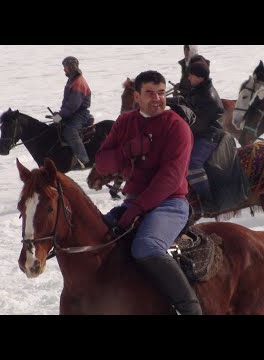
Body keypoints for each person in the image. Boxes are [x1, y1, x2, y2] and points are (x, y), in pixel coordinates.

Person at [92, 70, 202, 315]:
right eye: (150, 93)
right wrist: (126, 151)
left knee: (146, 247)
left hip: (170, 203)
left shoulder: (178, 127)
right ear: (136, 96)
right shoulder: (124, 122)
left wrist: (138, 207)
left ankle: (190, 308)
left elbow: (171, 178)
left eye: (161, 93)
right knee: (95, 239)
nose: (157, 99)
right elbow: (101, 164)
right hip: (132, 202)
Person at [179, 59, 224, 211]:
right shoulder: (199, 90)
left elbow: (199, 123)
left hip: (208, 135)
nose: (189, 78)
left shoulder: (208, 97)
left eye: (191, 75)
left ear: (200, 77)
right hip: (199, 132)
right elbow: (188, 104)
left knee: (193, 163)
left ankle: (208, 201)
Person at [52, 56, 94, 169]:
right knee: (56, 126)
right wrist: (60, 114)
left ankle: (84, 160)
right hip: (72, 112)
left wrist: (60, 115)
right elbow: (67, 103)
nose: (64, 70)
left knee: (70, 131)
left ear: (71, 67)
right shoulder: (71, 80)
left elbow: (73, 105)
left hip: (80, 113)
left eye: (65, 67)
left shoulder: (78, 82)